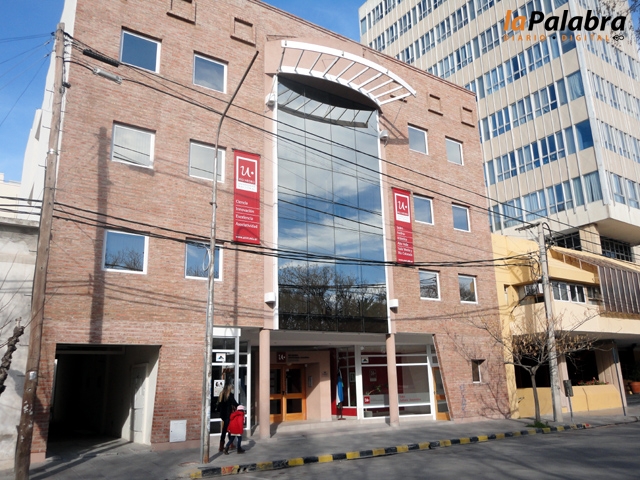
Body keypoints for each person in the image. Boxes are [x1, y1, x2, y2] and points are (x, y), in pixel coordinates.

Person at [216, 384, 238, 452]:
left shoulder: (221, 394)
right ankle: (228, 444)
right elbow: (234, 403)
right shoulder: (230, 395)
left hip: (223, 415)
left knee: (226, 429)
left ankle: (223, 445)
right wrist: (240, 407)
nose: (232, 389)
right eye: (231, 388)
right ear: (229, 388)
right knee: (226, 429)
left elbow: (219, 405)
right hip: (228, 415)